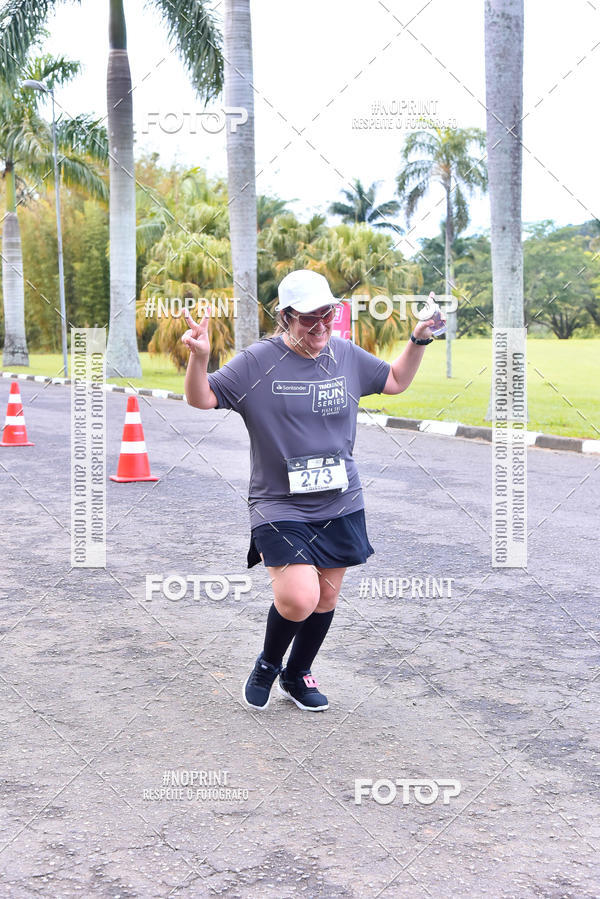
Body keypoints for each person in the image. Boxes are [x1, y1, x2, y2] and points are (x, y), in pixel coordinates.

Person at [182, 270, 443, 713]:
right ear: (285, 317)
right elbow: (201, 398)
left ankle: (296, 674)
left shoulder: (344, 354)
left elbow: (395, 381)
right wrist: (200, 358)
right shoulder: (257, 362)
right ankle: (268, 663)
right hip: (277, 502)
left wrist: (419, 339)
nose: (321, 326)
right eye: (308, 319)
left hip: (339, 498)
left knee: (325, 596)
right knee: (298, 596)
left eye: (328, 315)